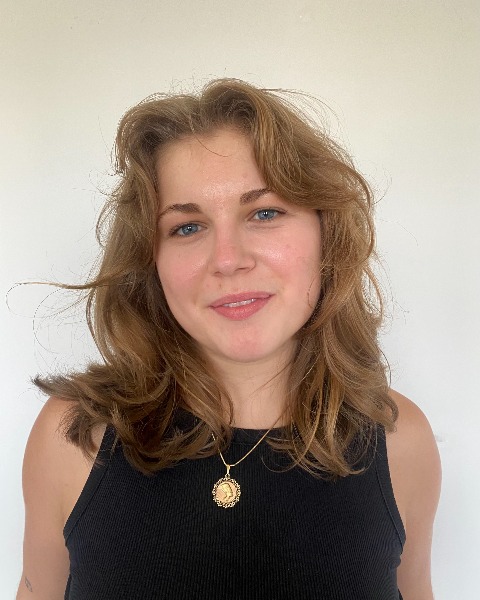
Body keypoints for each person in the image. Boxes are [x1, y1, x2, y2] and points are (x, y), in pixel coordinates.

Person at [17, 79, 441, 600]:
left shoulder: (400, 441)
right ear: (151, 261)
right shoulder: (74, 437)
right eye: (187, 227)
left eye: (265, 213)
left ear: (326, 233)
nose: (227, 259)